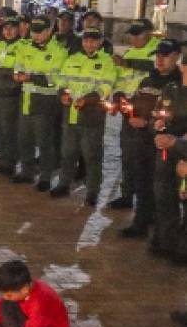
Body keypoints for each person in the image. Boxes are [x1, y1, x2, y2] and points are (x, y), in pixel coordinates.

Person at [115, 39, 180, 239]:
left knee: (164, 191)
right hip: (143, 141)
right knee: (142, 183)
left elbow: (177, 117)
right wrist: (128, 112)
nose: (160, 60)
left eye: (165, 55)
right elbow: (135, 101)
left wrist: (150, 123)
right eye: (158, 55)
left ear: (177, 56)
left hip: (165, 145)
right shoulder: (147, 80)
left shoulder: (179, 84)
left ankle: (165, 234)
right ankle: (141, 222)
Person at [50, 27, 117, 206]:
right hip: (70, 115)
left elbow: (106, 87)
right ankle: (64, 183)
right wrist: (62, 93)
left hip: (92, 117)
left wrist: (87, 100)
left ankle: (93, 191)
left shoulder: (107, 62)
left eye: (94, 40)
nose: (89, 44)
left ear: (100, 42)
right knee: (68, 152)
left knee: (92, 155)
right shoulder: (72, 59)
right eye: (87, 40)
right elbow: (62, 81)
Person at [109, 19, 161, 210]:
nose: (134, 38)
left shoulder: (159, 49)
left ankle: (147, 201)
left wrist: (127, 62)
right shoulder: (129, 52)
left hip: (149, 116)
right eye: (132, 34)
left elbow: (156, 67)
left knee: (148, 161)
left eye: (138, 34)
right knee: (128, 156)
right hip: (129, 112)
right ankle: (127, 195)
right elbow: (121, 80)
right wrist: (118, 96)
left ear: (149, 32)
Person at [14, 15, 67, 190]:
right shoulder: (25, 48)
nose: (36, 36)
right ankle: (26, 172)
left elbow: (56, 78)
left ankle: (45, 177)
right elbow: (18, 66)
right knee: (24, 140)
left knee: (45, 142)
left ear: (49, 31)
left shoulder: (58, 51)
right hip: (26, 101)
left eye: (40, 32)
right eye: (33, 32)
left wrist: (31, 77)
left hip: (46, 102)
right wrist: (18, 74)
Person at [151, 45, 187, 261]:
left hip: (182, 153)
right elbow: (158, 116)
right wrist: (156, 129)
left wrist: (176, 141)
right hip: (166, 155)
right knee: (164, 198)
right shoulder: (171, 90)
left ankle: (183, 249)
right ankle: (166, 241)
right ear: (183, 67)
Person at [0, 16, 26, 176]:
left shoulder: (22, 47)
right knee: (0, 129)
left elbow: (17, 71)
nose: (8, 31)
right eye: (5, 28)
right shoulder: (0, 45)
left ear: (18, 29)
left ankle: (10, 162)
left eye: (12, 28)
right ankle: (3, 159)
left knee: (10, 130)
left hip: (11, 93)